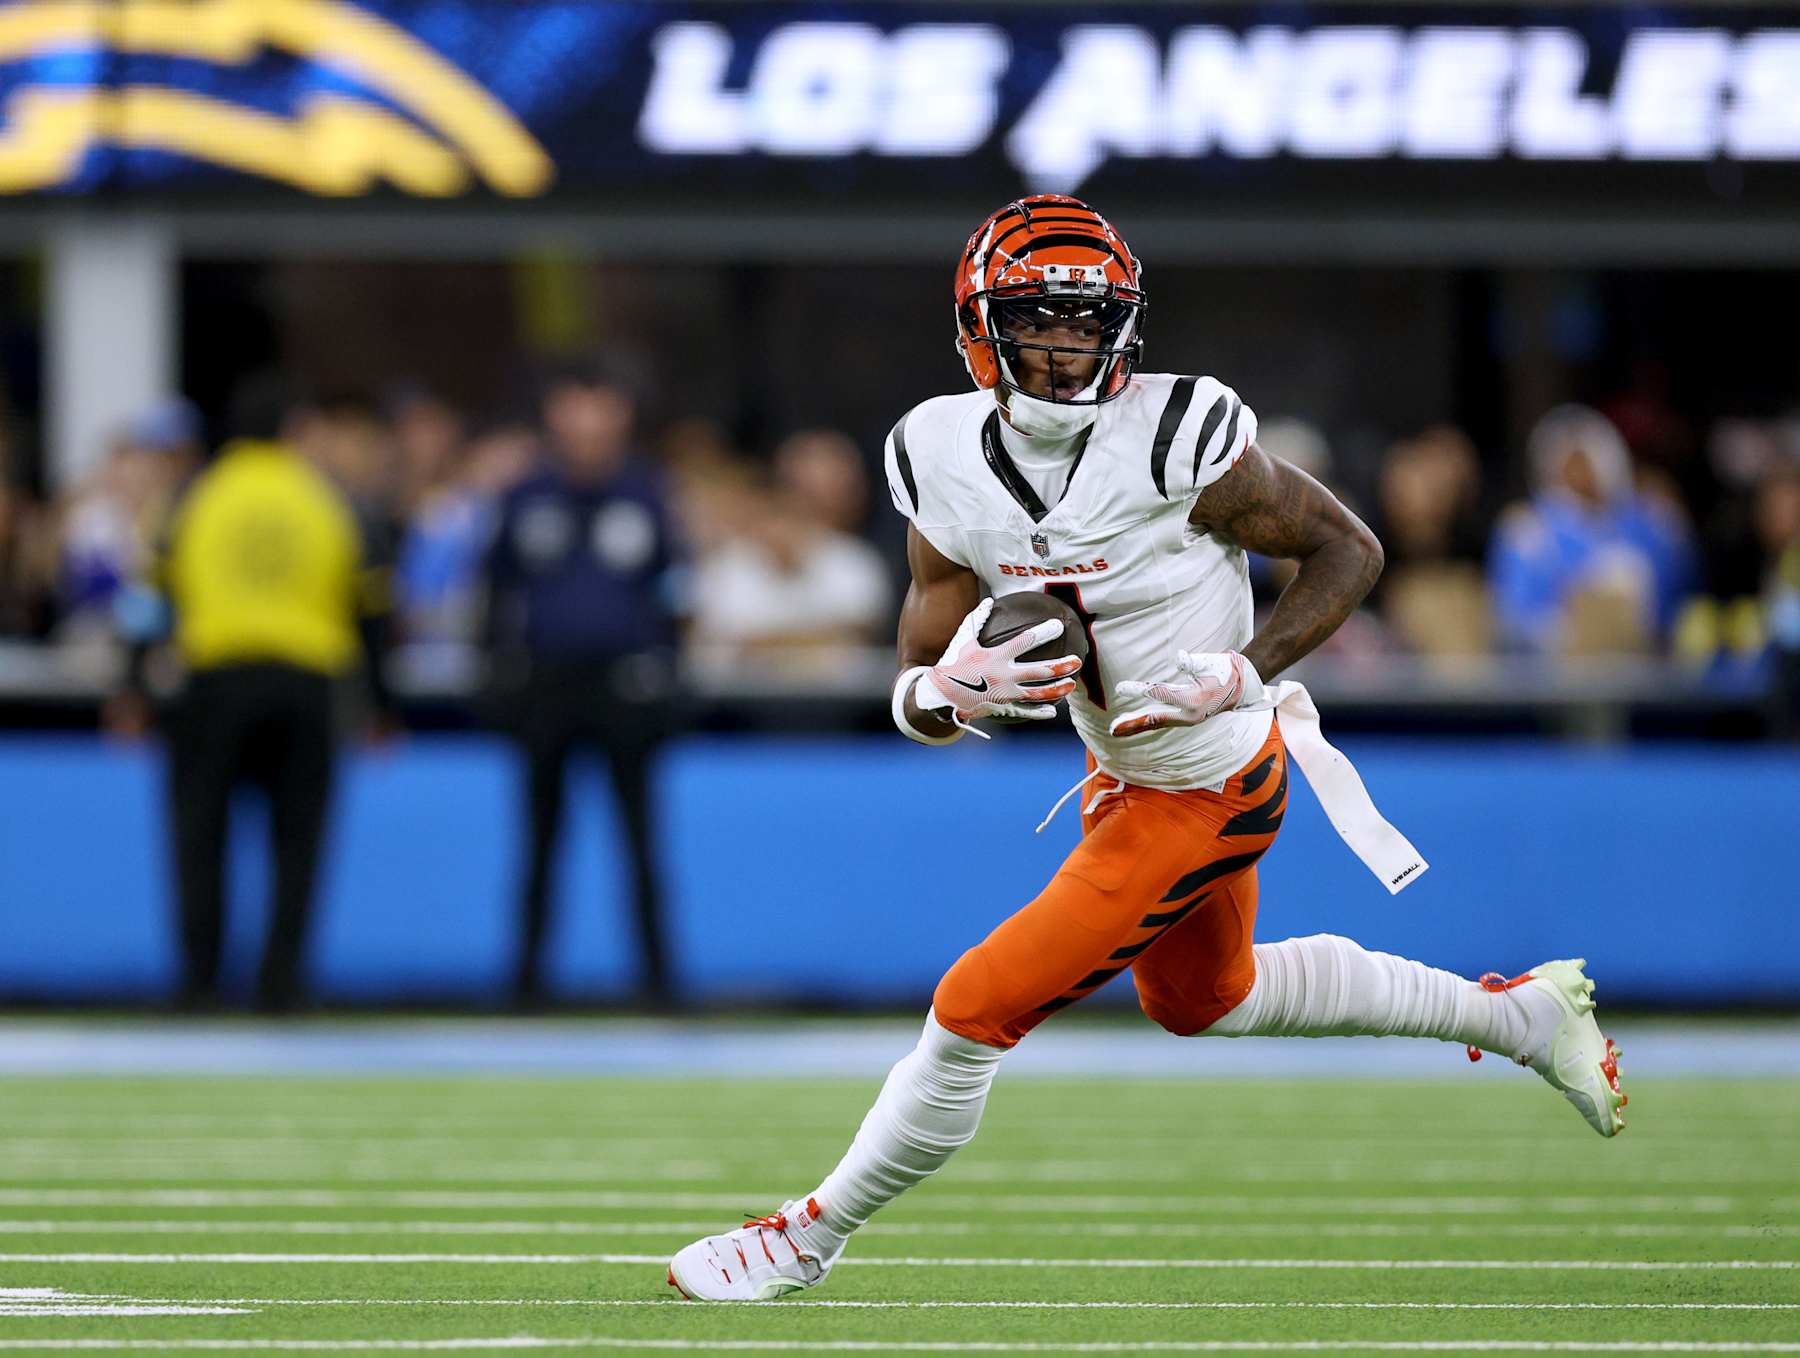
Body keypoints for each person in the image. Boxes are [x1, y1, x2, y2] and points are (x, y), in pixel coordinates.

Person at [666, 196, 1627, 1303]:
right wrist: (940, 692)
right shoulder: (935, 452)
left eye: (1091, 322)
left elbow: (1345, 550)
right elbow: (919, 666)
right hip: (1124, 774)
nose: (1070, 346)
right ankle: (1520, 1015)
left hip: (1215, 779)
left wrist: (1250, 667)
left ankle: (807, 1233)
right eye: (1042, 320)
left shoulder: (1180, 434)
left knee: (973, 1004)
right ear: (982, 325)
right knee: (1201, 995)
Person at [107, 375, 396, 1012]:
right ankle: (281, 985)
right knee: (298, 846)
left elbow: (149, 602)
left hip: (215, 680)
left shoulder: (197, 496)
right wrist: (377, 703)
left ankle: (200, 984)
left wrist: (131, 685)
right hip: (306, 683)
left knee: (199, 838)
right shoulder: (328, 499)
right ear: (295, 430)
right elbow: (372, 609)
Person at [481, 361, 684, 1008]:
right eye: (577, 413)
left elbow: (675, 590)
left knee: (640, 841)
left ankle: (658, 983)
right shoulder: (524, 495)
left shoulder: (645, 492)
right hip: (546, 685)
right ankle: (526, 983)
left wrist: (666, 669)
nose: (589, 429)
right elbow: (495, 591)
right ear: (555, 419)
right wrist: (500, 675)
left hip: (625, 687)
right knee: (540, 842)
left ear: (619, 420)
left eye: (601, 414)